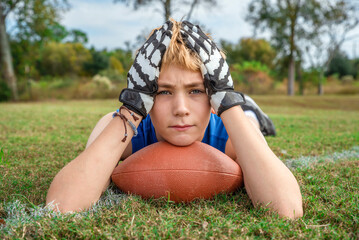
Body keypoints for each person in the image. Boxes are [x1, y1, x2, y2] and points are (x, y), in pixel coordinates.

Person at [46, 20, 303, 219]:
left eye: (195, 91)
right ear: (144, 93)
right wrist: (132, 107)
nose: (181, 109)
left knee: (249, 121)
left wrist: (228, 103)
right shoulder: (120, 128)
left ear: (213, 95)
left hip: (237, 115)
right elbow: (62, 206)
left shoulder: (229, 131)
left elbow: (287, 210)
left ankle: (248, 106)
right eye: (163, 92)